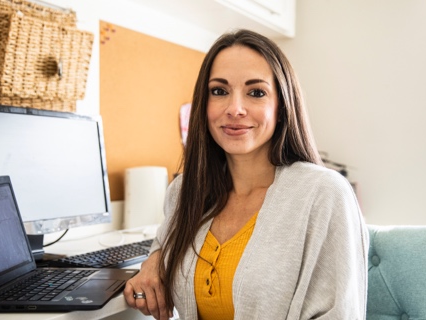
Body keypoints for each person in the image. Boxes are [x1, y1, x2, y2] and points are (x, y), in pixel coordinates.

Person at [124, 28, 369, 320]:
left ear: (281, 106)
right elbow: (165, 242)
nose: (235, 108)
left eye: (256, 92)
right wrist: (154, 260)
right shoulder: (184, 192)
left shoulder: (325, 194)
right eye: (219, 91)